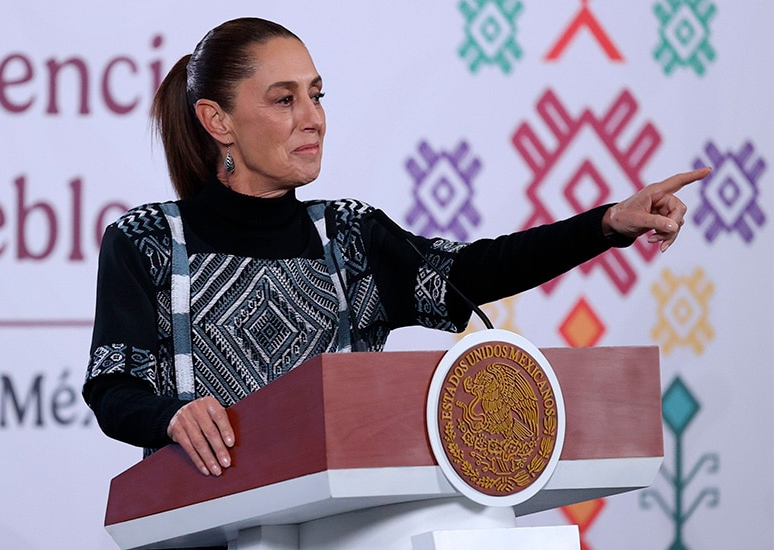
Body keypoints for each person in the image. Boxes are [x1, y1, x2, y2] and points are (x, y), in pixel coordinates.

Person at [82, 17, 707, 478]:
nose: (313, 117)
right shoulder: (146, 241)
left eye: (317, 94)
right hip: (203, 528)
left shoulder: (350, 236)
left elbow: (473, 272)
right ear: (217, 121)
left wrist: (607, 224)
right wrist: (169, 416)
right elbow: (115, 390)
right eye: (284, 99)